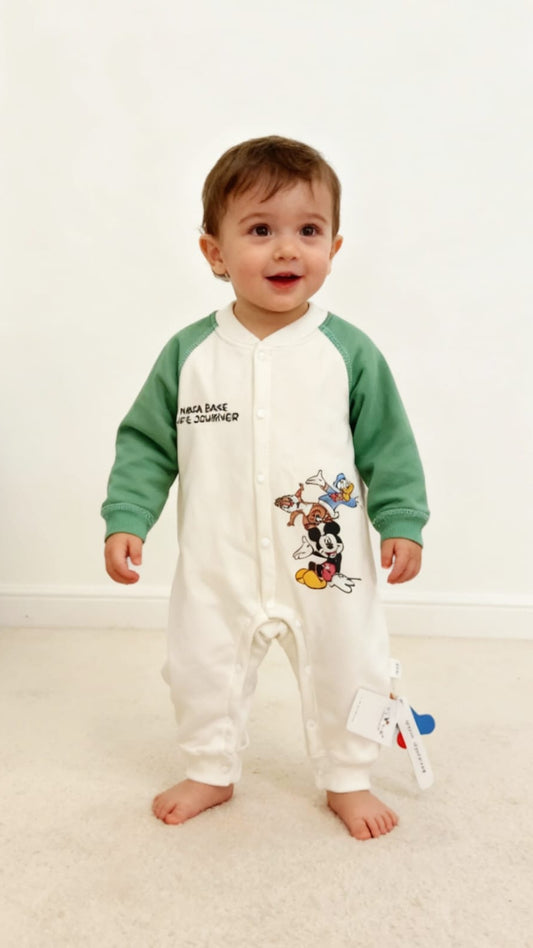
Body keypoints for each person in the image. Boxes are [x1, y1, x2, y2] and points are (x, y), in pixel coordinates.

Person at [102, 136, 429, 840]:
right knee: (200, 665)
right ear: (213, 252)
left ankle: (348, 775)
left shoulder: (347, 351)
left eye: (307, 231)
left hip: (326, 568)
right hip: (218, 562)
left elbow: (388, 446)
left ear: (334, 248)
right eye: (259, 230)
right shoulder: (189, 354)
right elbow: (146, 444)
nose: (287, 250)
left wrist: (401, 519)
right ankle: (210, 768)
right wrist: (128, 516)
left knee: (350, 662)